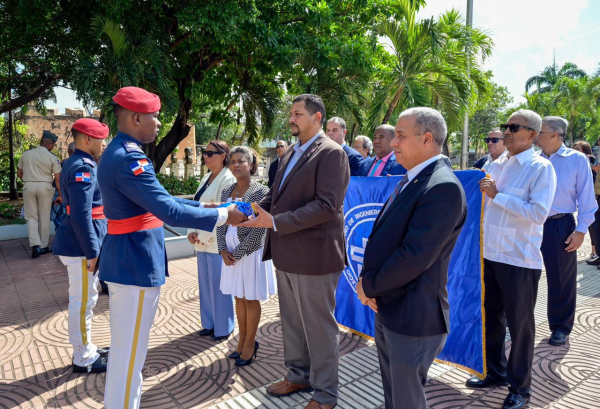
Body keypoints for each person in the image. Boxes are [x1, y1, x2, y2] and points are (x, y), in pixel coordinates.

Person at [97, 86, 247, 409]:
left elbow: (163, 202)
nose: (158, 124)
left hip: (128, 259)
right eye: (155, 117)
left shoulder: (119, 152)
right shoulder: (130, 159)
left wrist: (208, 211)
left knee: (127, 353)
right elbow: (168, 211)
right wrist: (224, 214)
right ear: (137, 118)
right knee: (129, 357)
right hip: (135, 263)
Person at [241, 94, 349, 409]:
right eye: (291, 113)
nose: (292, 119)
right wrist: (251, 212)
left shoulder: (331, 153)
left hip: (315, 257)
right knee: (292, 321)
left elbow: (327, 206)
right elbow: (276, 194)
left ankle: (326, 394)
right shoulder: (290, 152)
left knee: (319, 327)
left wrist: (275, 221)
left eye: (298, 114)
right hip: (287, 251)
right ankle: (298, 375)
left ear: (317, 117)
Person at [356, 107, 467, 409]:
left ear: (427, 139)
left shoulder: (441, 186)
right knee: (395, 397)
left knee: (407, 401)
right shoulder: (416, 178)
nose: (393, 143)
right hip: (392, 307)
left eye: (401, 136)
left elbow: (414, 256)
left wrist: (369, 286)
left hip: (413, 316)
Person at [467, 110, 557, 409]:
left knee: (520, 328)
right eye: (506, 126)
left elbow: (538, 213)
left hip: (519, 259)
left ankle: (520, 389)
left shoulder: (540, 168)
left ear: (532, 134)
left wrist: (498, 195)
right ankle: (496, 372)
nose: (506, 131)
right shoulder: (496, 163)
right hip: (489, 255)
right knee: (491, 320)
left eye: (513, 127)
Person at [53, 118, 111, 374]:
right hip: (80, 247)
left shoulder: (78, 162)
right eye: (101, 138)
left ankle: (86, 346)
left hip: (80, 244)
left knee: (85, 299)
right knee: (83, 302)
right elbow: (80, 214)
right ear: (88, 139)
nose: (104, 143)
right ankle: (83, 357)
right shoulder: (83, 168)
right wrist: (93, 251)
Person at [535, 117, 597, 346]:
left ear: (554, 134)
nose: (534, 134)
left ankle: (561, 326)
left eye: (539, 130)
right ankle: (519, 322)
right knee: (524, 274)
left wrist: (581, 231)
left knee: (561, 279)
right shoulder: (533, 160)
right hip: (530, 223)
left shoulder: (577, 160)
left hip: (560, 225)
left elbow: (587, 200)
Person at [217, 146, 276, 366]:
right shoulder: (226, 190)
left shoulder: (261, 191)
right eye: (232, 161)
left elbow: (260, 229)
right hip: (229, 250)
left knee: (250, 298)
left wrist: (238, 253)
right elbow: (221, 220)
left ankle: (250, 344)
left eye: (241, 161)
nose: (236, 165)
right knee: (238, 297)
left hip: (249, 251)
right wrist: (222, 249)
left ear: (251, 165)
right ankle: (241, 341)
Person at [187, 140, 236, 341]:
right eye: (204, 153)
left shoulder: (228, 179)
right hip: (202, 239)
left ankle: (224, 326)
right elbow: (196, 206)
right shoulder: (206, 177)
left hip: (217, 241)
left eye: (210, 153)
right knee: (205, 285)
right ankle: (209, 323)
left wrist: (203, 235)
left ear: (223, 155)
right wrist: (191, 231)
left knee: (219, 285)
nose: (205, 157)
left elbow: (224, 212)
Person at [17, 130, 62, 258]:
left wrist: (29, 181)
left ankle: (35, 246)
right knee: (44, 216)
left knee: (31, 217)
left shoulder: (26, 154)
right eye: (52, 144)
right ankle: (43, 246)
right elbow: (57, 178)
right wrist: (60, 194)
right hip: (45, 187)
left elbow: (20, 174)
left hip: (29, 186)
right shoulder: (52, 157)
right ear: (49, 144)